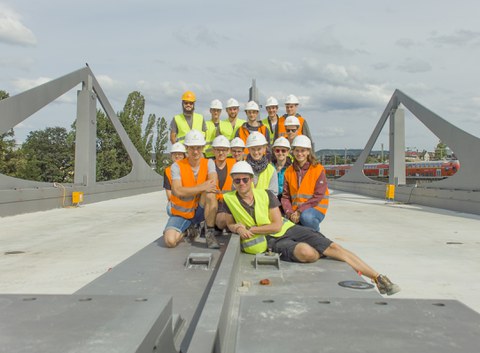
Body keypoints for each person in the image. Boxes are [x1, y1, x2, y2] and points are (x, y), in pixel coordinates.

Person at [221, 161, 400, 296]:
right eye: (237, 181)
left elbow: (276, 224)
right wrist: (235, 227)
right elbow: (225, 221)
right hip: (272, 242)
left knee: (335, 247)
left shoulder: (265, 195)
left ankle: (378, 278)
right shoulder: (229, 199)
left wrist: (251, 230)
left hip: (287, 229)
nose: (242, 183)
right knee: (308, 253)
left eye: (245, 179)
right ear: (233, 182)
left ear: (252, 180)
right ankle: (324, 250)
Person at [163, 129, 220, 249]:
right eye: (192, 148)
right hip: (181, 213)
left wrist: (193, 189)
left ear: (203, 148)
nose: (195, 151)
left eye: (198, 147)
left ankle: (209, 233)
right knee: (170, 241)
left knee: (210, 193)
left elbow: (212, 184)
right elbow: (177, 190)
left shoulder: (209, 163)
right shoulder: (177, 166)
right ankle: (188, 231)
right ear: (186, 148)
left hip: (200, 210)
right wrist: (202, 187)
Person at [282, 135, 329, 232]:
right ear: (293, 151)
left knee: (306, 217)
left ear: (308, 152)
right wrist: (290, 213)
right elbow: (285, 196)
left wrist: (299, 211)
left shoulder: (318, 169)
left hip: (315, 209)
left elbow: (318, 195)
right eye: (297, 150)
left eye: (303, 150)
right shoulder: (288, 171)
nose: (300, 153)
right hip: (296, 211)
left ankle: (317, 236)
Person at [211, 135, 236, 231]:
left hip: (230, 203)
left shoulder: (235, 165)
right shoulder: (208, 166)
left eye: (224, 150)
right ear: (213, 150)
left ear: (228, 151)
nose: (221, 153)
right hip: (213, 205)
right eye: (218, 150)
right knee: (221, 221)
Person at [163, 142, 187, 215]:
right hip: (175, 202)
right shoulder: (167, 171)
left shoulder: (189, 169)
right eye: (174, 154)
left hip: (189, 201)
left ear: (184, 156)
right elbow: (169, 192)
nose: (177, 156)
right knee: (170, 209)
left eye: (179, 154)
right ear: (171, 156)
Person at [271, 137, 292, 202]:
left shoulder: (292, 168)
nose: (280, 153)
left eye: (283, 150)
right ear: (274, 151)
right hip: (272, 201)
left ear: (288, 152)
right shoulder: (269, 168)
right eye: (277, 150)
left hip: (288, 201)